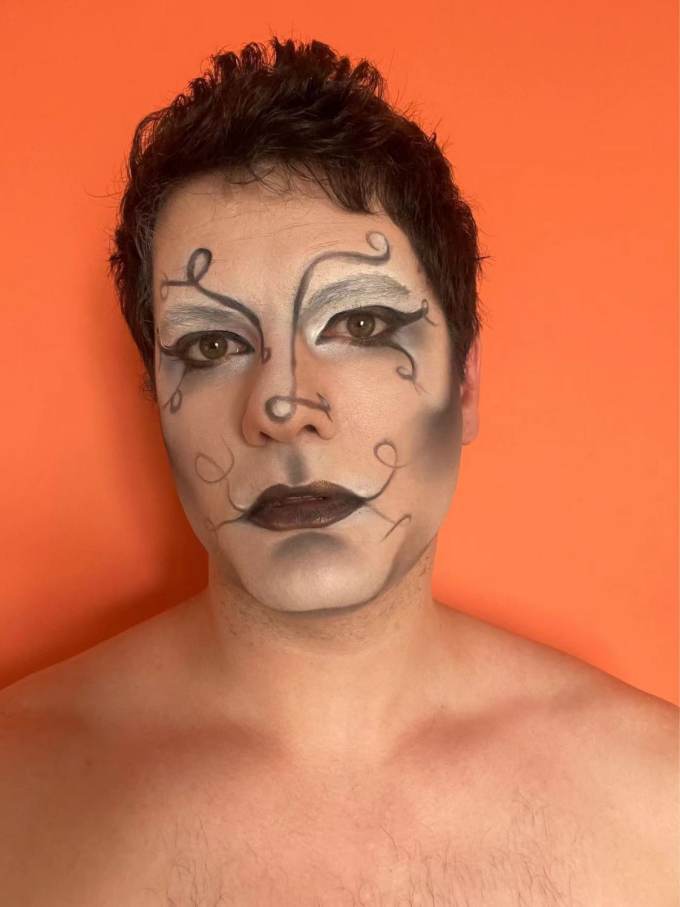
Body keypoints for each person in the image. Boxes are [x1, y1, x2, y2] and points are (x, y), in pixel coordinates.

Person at [0, 37, 677, 906]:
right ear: (156, 400)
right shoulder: (20, 796)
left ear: (465, 383)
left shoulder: (657, 804)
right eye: (212, 345)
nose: (283, 406)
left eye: (358, 325)